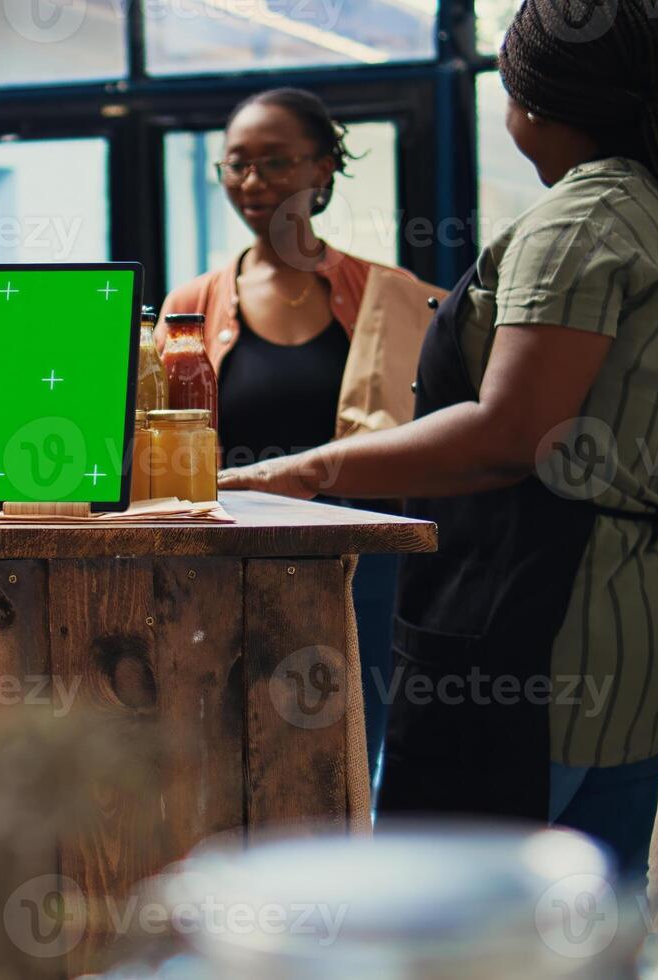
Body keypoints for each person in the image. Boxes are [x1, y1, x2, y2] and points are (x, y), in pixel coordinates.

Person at [217, 0, 658, 879]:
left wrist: (307, 470)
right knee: (590, 918)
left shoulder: (575, 226)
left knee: (456, 923)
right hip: (642, 624)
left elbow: (510, 435)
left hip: (547, 628)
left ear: (525, 100)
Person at [158, 87, 426, 781]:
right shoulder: (189, 305)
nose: (251, 183)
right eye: (235, 164)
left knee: (352, 762)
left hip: (364, 568)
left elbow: (428, 437)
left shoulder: (385, 294)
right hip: (224, 564)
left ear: (322, 170)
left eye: (275, 163)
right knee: (233, 760)